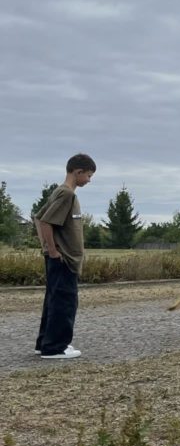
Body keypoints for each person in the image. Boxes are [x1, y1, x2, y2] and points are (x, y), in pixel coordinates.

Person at [34, 153, 97, 359]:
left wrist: (47, 248)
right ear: (78, 172)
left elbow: (38, 217)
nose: (89, 180)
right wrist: (52, 251)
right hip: (64, 260)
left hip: (61, 259)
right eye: (88, 175)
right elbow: (45, 221)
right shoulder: (67, 194)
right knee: (64, 302)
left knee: (53, 301)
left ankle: (45, 343)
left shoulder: (60, 192)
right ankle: (54, 348)